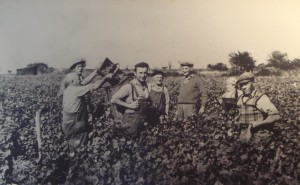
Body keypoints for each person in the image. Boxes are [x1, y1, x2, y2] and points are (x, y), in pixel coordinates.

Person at [62, 60, 113, 150]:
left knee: (72, 138)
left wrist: (95, 73)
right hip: (75, 121)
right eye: (78, 79)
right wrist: (105, 78)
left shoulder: (69, 88)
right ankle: (78, 152)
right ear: (74, 81)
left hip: (67, 121)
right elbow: (95, 86)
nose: (80, 80)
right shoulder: (76, 90)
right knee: (80, 141)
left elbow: (83, 82)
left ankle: (71, 148)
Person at [236, 72, 281, 141]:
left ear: (252, 82)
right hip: (244, 134)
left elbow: (275, 116)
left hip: (259, 135)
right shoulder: (240, 98)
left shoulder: (260, 97)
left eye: (246, 84)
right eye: (241, 85)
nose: (243, 87)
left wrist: (258, 123)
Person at [111, 62, 151, 138]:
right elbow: (113, 99)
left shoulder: (145, 85)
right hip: (131, 122)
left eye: (145, 73)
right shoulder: (129, 86)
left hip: (142, 121)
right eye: (140, 73)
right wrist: (129, 105)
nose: (143, 75)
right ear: (135, 73)